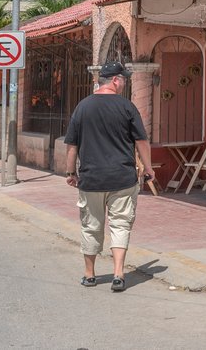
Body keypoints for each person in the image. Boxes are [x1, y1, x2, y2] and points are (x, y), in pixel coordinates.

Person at [62, 62, 154, 293]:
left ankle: (90, 275)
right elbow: (141, 141)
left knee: (91, 226)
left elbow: (72, 144)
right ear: (115, 80)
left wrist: (70, 172)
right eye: (123, 78)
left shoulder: (83, 107)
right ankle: (118, 274)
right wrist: (148, 168)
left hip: (91, 178)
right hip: (122, 178)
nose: (124, 82)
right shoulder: (127, 107)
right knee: (121, 225)